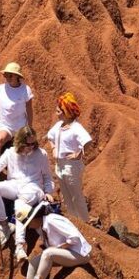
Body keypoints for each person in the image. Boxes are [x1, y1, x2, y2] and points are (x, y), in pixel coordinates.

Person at [0, 126, 54, 251]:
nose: (32, 146)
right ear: (20, 142)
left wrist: (49, 192)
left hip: (33, 187)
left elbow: (47, 177)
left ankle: (20, 244)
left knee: (19, 203)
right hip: (15, 185)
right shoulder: (10, 152)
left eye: (33, 143)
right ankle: (3, 224)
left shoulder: (41, 154)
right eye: (28, 144)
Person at [14, 200, 93, 279]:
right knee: (34, 261)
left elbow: (74, 237)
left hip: (81, 254)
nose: (29, 227)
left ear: (34, 218)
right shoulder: (41, 228)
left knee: (48, 253)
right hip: (68, 253)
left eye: (29, 223)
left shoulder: (52, 220)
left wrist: (58, 249)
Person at [46, 92, 92, 222]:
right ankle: (74, 220)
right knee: (66, 196)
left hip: (70, 166)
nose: (57, 112)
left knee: (76, 195)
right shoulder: (59, 126)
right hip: (60, 164)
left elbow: (87, 141)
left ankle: (84, 221)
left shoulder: (76, 127)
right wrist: (54, 148)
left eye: (59, 110)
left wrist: (79, 154)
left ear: (66, 112)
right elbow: (50, 136)